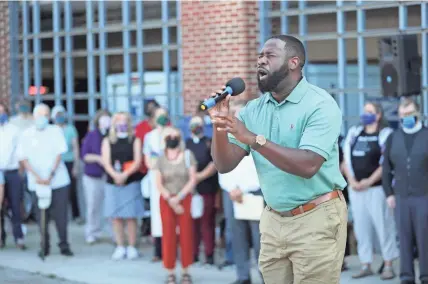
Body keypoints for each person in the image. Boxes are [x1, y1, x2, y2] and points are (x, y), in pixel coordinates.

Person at [209, 35, 348, 284]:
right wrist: (220, 126)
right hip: (273, 220)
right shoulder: (254, 109)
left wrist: (254, 139)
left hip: (316, 216)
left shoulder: (320, 104)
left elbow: (308, 165)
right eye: (260, 56)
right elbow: (224, 164)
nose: (261, 61)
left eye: (269, 56)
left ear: (293, 62)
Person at [342, 101, 398, 279]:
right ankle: (366, 263)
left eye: (370, 111)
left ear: (378, 115)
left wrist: (368, 181)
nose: (365, 114)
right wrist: (352, 181)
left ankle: (388, 264)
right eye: (364, 111)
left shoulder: (385, 133)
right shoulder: (354, 132)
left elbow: (386, 164)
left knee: (384, 227)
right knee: (361, 228)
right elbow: (345, 161)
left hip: (377, 189)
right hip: (356, 189)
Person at [17, 103, 73, 257]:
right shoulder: (26, 134)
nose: (42, 118)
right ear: (34, 116)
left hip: (58, 180)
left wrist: (50, 175)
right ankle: (44, 246)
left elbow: (59, 154)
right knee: (41, 215)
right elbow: (23, 158)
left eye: (45, 115)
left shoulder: (56, 131)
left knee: (61, 215)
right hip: (37, 182)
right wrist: (37, 177)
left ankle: (64, 245)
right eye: (39, 115)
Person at [382, 98, 428, 284]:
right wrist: (389, 194)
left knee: (425, 238)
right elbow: (386, 169)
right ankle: (406, 276)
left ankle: (425, 276)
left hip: (424, 196)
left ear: (418, 114)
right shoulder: (393, 137)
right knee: (404, 238)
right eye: (402, 115)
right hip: (401, 196)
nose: (405, 118)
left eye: (409, 114)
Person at [218, 101, 264, 284]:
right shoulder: (224, 138)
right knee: (236, 236)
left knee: (259, 239)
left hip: (254, 193)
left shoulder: (257, 138)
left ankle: (265, 277)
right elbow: (221, 165)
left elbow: (261, 167)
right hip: (231, 194)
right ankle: (243, 276)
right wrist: (231, 188)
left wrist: (242, 189)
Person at [153, 126, 197, 284]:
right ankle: (170, 271)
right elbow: (158, 183)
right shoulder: (160, 158)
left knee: (186, 234)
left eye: (175, 135)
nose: (172, 137)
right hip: (166, 199)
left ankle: (186, 271)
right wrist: (171, 200)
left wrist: (178, 198)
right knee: (168, 235)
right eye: (169, 135)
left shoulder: (187, 155)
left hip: (184, 198)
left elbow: (192, 179)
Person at [102, 112, 144, 260]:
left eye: (124, 121)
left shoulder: (135, 140)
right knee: (116, 216)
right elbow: (106, 162)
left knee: (131, 216)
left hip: (131, 181)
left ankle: (132, 247)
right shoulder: (108, 140)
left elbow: (138, 161)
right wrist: (115, 175)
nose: (122, 123)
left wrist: (125, 175)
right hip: (113, 182)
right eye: (118, 120)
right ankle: (120, 246)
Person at [185, 116, 218, 265]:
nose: (195, 127)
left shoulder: (210, 142)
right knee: (192, 224)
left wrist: (198, 177)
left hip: (207, 186)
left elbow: (214, 163)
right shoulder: (186, 144)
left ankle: (209, 254)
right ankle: (193, 253)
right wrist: (192, 179)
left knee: (207, 222)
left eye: (198, 124)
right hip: (190, 189)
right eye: (193, 124)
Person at [143, 107, 170, 262]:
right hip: (155, 177)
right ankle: (158, 250)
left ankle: (171, 249)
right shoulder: (149, 137)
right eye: (158, 116)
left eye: (164, 116)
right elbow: (148, 159)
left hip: (171, 178)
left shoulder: (173, 133)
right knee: (157, 215)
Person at [80, 109, 111, 244]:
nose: (105, 122)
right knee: (92, 206)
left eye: (107, 119)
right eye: (102, 119)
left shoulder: (111, 135)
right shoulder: (91, 136)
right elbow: (84, 155)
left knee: (109, 206)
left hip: (108, 176)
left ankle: (111, 232)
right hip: (92, 177)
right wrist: (99, 158)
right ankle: (92, 232)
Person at [0, 102, 25, 250]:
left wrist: (21, 171)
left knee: (16, 206)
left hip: (12, 172)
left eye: (2, 111)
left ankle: (19, 237)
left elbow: (20, 152)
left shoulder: (15, 130)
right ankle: (1, 238)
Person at [51, 105, 82, 224]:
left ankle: (76, 215)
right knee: (55, 190)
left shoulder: (70, 129)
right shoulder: (52, 130)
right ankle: (56, 215)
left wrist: (76, 165)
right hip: (55, 164)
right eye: (57, 115)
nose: (59, 117)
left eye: (61, 115)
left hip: (68, 162)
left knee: (72, 191)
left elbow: (75, 148)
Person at [135, 99, 160, 237]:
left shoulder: (165, 125)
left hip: (161, 171)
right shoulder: (141, 127)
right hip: (144, 169)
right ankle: (146, 226)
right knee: (146, 202)